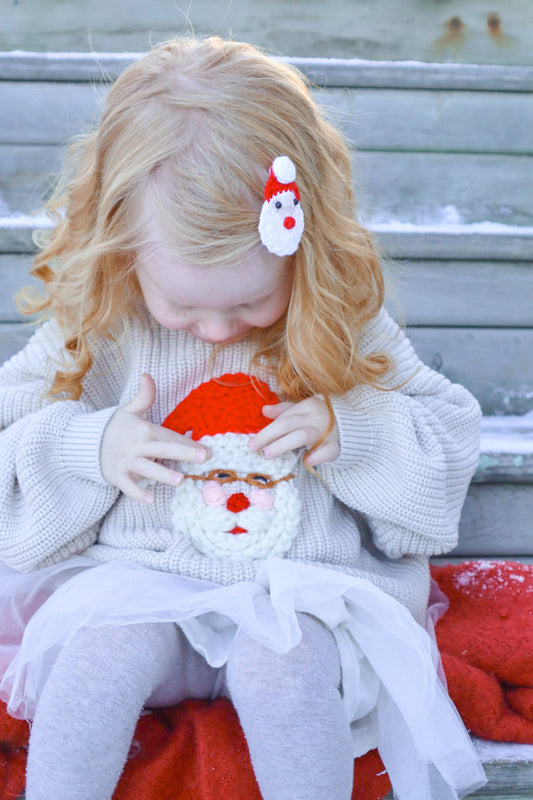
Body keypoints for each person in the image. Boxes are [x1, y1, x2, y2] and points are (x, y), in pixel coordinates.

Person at [0, 36, 486, 800]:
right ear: (124, 249)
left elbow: (444, 448)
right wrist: (93, 446)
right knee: (92, 668)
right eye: (186, 307)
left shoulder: (337, 320)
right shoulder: (102, 323)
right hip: (140, 580)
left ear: (303, 249)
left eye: (252, 303)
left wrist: (348, 429)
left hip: (303, 594)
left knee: (284, 676)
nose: (221, 331)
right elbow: (11, 436)